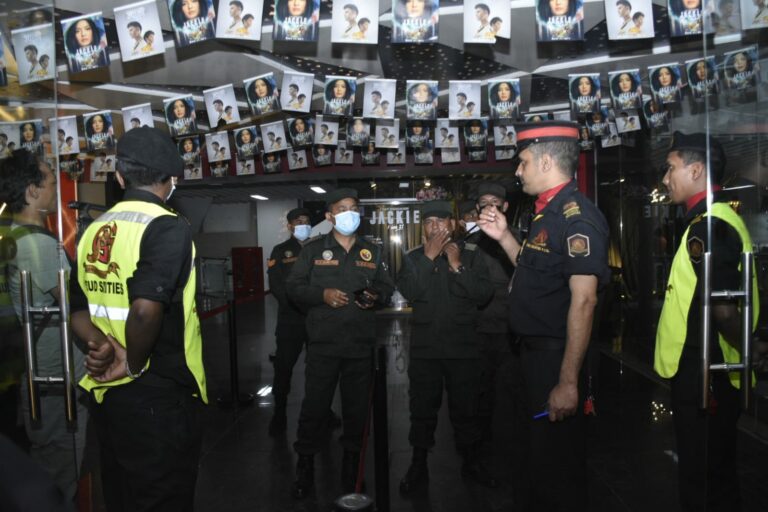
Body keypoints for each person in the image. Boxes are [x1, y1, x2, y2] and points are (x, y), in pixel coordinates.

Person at [71, 127, 208, 511]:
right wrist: (131, 363)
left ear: (119, 177)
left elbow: (78, 310)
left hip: (107, 394)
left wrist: (102, 346)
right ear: (172, 178)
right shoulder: (167, 226)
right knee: (163, 498)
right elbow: (146, 310)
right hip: (158, 393)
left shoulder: (93, 229)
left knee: (120, 495)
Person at [477, 121, 609, 511]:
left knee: (556, 468)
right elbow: (533, 269)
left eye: (523, 162)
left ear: (546, 162)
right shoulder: (546, 214)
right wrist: (504, 237)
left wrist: (568, 381)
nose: (518, 171)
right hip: (529, 357)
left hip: (555, 358)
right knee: (532, 459)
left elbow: (584, 301)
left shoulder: (576, 219)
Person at [654, 132, 767, 512]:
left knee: (704, 476)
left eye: (670, 168)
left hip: (707, 372)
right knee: (711, 469)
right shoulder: (706, 222)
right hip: (704, 368)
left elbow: (723, 310)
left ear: (696, 170)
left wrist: (750, 349)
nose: (665, 178)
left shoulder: (710, 227)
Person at [0, 150, 105, 500]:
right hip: (57, 377)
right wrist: (106, 344)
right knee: (59, 471)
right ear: (32, 191)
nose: (55, 188)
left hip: (38, 373)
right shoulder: (38, 244)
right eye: (49, 180)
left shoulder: (13, 235)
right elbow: (73, 308)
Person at [286, 188, 395, 499]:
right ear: (330, 216)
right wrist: (321, 295)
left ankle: (352, 466)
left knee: (357, 410)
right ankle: (305, 464)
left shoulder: (371, 251)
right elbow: (293, 287)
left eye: (354, 208)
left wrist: (376, 296)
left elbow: (386, 286)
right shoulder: (313, 250)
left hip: (360, 345)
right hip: (324, 344)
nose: (350, 213)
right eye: (342, 208)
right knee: (315, 408)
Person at [397, 200, 497, 494]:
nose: (435, 227)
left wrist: (456, 266)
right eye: (429, 223)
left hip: (463, 349)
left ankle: (471, 462)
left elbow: (483, 295)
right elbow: (409, 291)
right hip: (425, 349)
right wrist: (428, 259)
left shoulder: (471, 254)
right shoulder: (414, 257)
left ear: (452, 225)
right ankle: (418, 464)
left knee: (467, 409)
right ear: (423, 228)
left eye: (441, 221)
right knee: (422, 409)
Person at [466, 184, 517, 445]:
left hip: (511, 331)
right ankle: (480, 447)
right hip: (478, 330)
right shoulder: (469, 243)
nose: (489, 207)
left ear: (505, 207)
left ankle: (508, 445)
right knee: (479, 393)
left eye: (495, 202)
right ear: (477, 209)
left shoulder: (517, 240)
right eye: (484, 203)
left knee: (510, 393)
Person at [267, 208, 313, 435]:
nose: (303, 224)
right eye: (298, 221)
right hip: (290, 319)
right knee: (283, 367)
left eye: (306, 221)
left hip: (316, 319)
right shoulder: (280, 250)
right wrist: (298, 306)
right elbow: (276, 285)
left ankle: (323, 411)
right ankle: (279, 413)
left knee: (319, 368)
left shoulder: (319, 249)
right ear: (290, 226)